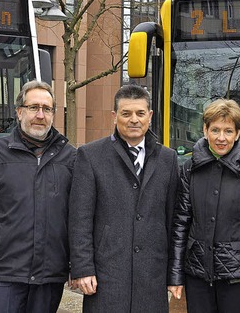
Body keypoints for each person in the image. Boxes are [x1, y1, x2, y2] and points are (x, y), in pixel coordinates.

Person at [0, 81, 76, 313]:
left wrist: (77, 266)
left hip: (50, 274)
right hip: (5, 272)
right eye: (33, 107)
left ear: (54, 114)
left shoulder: (70, 156)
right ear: (19, 111)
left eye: (47, 109)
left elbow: (77, 217)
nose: (40, 115)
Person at [68, 84, 179, 312]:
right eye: (126, 114)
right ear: (114, 116)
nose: (134, 120)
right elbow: (80, 218)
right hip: (106, 275)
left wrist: (173, 274)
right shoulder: (90, 156)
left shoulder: (168, 159)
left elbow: (172, 219)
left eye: (140, 113)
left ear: (150, 116)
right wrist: (83, 268)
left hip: (152, 275)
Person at [167, 99, 240, 312]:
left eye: (228, 131)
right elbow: (181, 223)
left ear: (237, 133)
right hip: (198, 275)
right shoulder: (190, 169)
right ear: (205, 130)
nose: (221, 138)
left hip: (238, 278)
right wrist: (175, 275)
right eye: (215, 130)